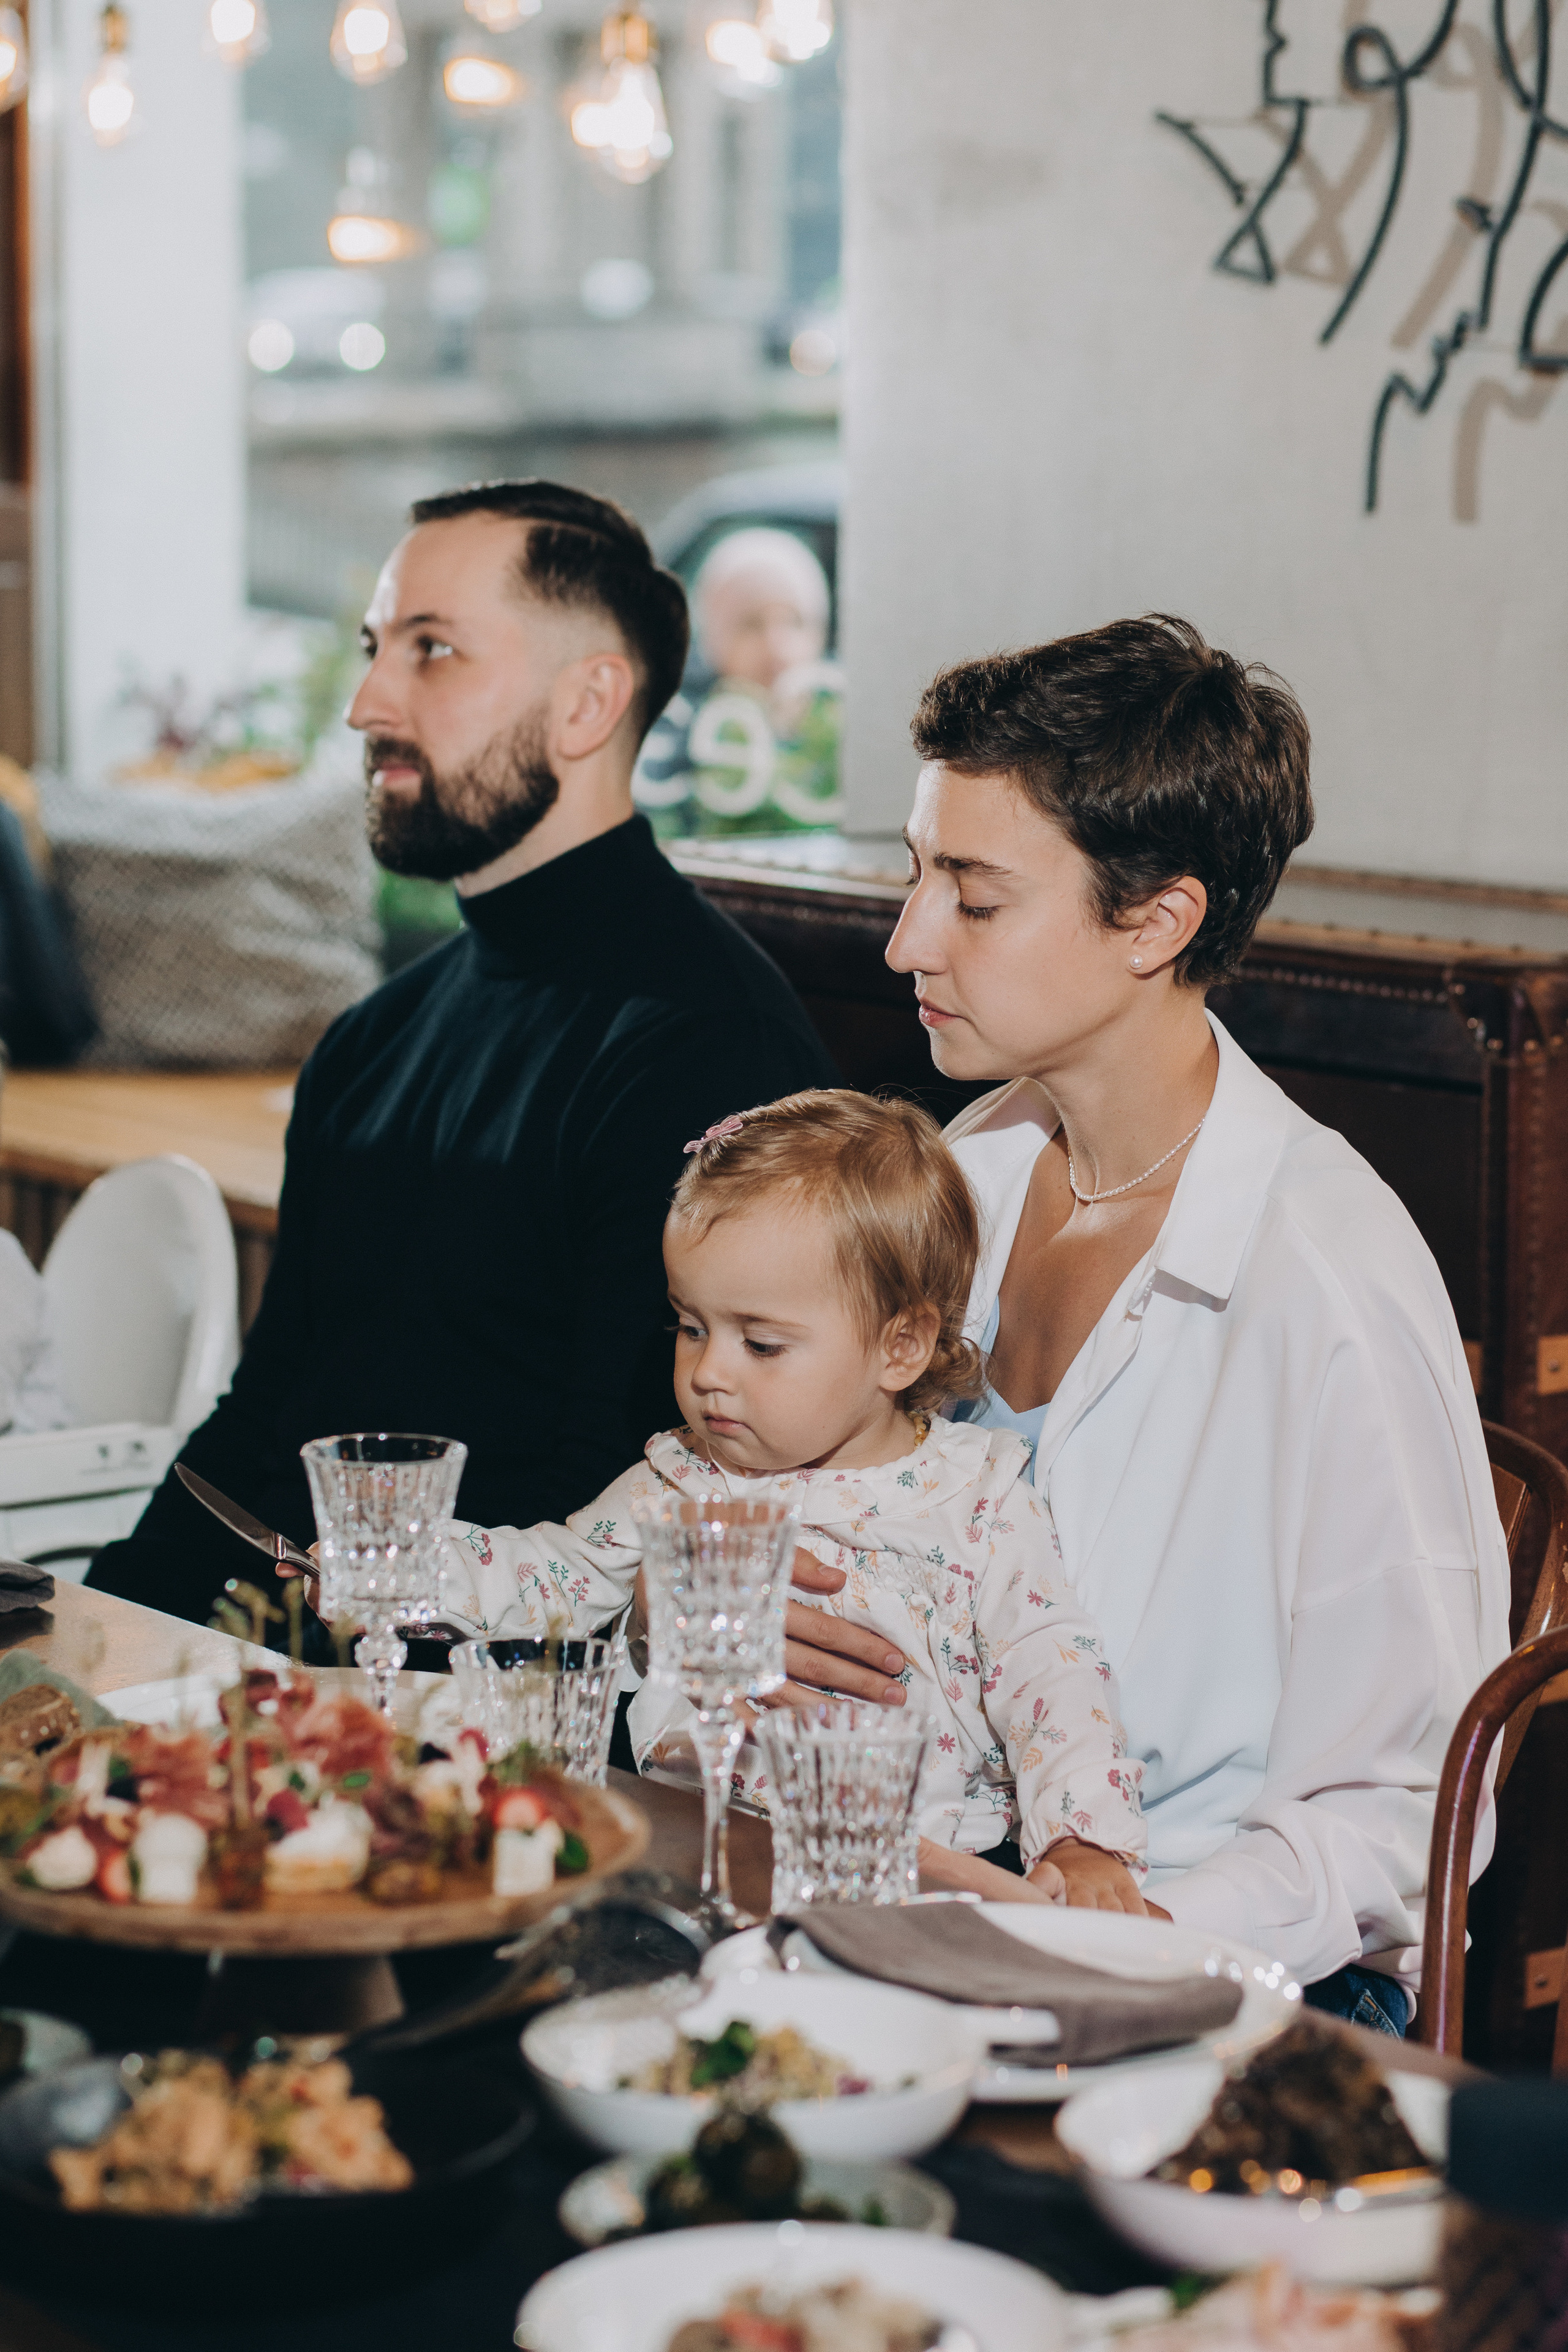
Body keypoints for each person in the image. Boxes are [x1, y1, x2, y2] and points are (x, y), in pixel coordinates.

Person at [863, 612, 1511, 2032]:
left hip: (1237, 1978)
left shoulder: (1323, 1276)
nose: (907, 937)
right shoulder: (961, 1176)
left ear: (1155, 919)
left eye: (974, 897)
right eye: (913, 874)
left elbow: (1410, 1818)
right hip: (949, 1902)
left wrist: (1130, 1934)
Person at [86, 480, 840, 1630]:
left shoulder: (710, 1048)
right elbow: (268, 1416)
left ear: (590, 701)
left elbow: (616, 1514)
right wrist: (94, 1643)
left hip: (508, 1724)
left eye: (432, 651)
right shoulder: (371, 1038)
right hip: (302, 1673)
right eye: (375, 647)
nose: (368, 703)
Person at [432, 1090, 1147, 1905]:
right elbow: (547, 1575)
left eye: (761, 1343)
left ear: (901, 1346)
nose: (708, 1374)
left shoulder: (975, 1499)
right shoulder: (689, 1480)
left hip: (908, 1885)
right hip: (694, 1859)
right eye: (691, 1327)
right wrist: (396, 1562)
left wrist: (1086, 1841)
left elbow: (1050, 1674)